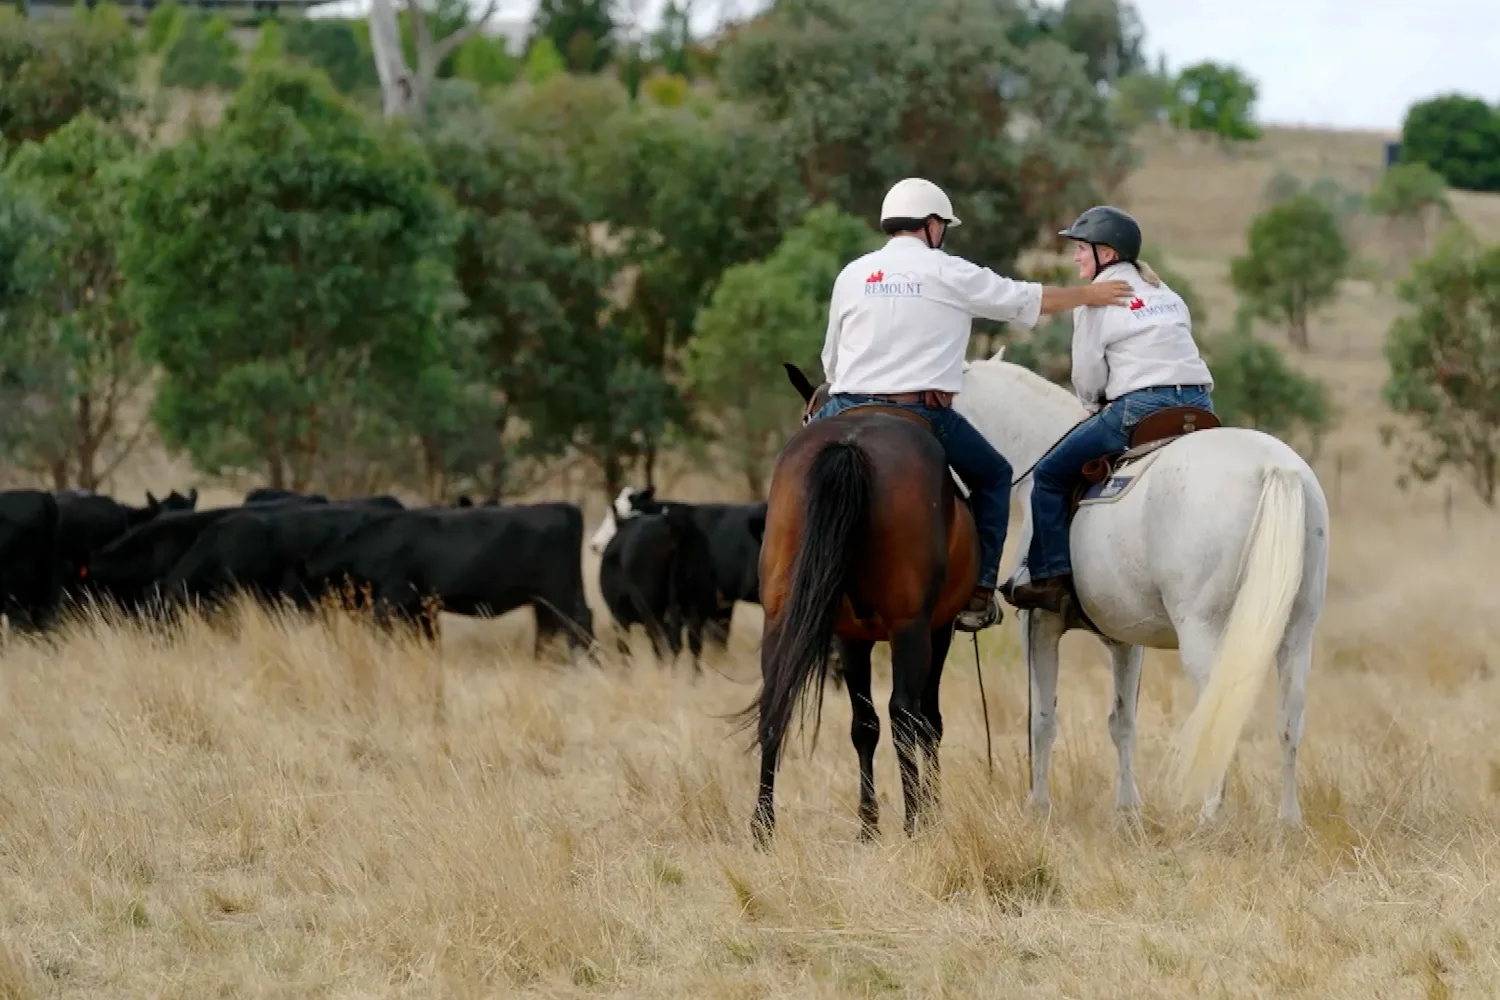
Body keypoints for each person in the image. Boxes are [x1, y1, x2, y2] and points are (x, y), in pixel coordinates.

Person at [811, 178, 1136, 632]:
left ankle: (784, 578)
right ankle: (978, 593)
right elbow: (1025, 299)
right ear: (930, 226)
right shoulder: (949, 271)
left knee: (797, 469)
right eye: (941, 226)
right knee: (994, 476)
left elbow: (831, 359)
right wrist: (1089, 295)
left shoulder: (852, 274)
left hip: (844, 405)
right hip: (919, 412)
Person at [1005, 205, 1217, 616]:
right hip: (1198, 405)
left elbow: (1087, 374)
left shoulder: (1097, 302)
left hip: (1140, 407)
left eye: (1082, 248)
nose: (1076, 257)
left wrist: (1090, 408)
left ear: (1107, 253)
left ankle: (1050, 580)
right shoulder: (1166, 292)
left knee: (1048, 476)